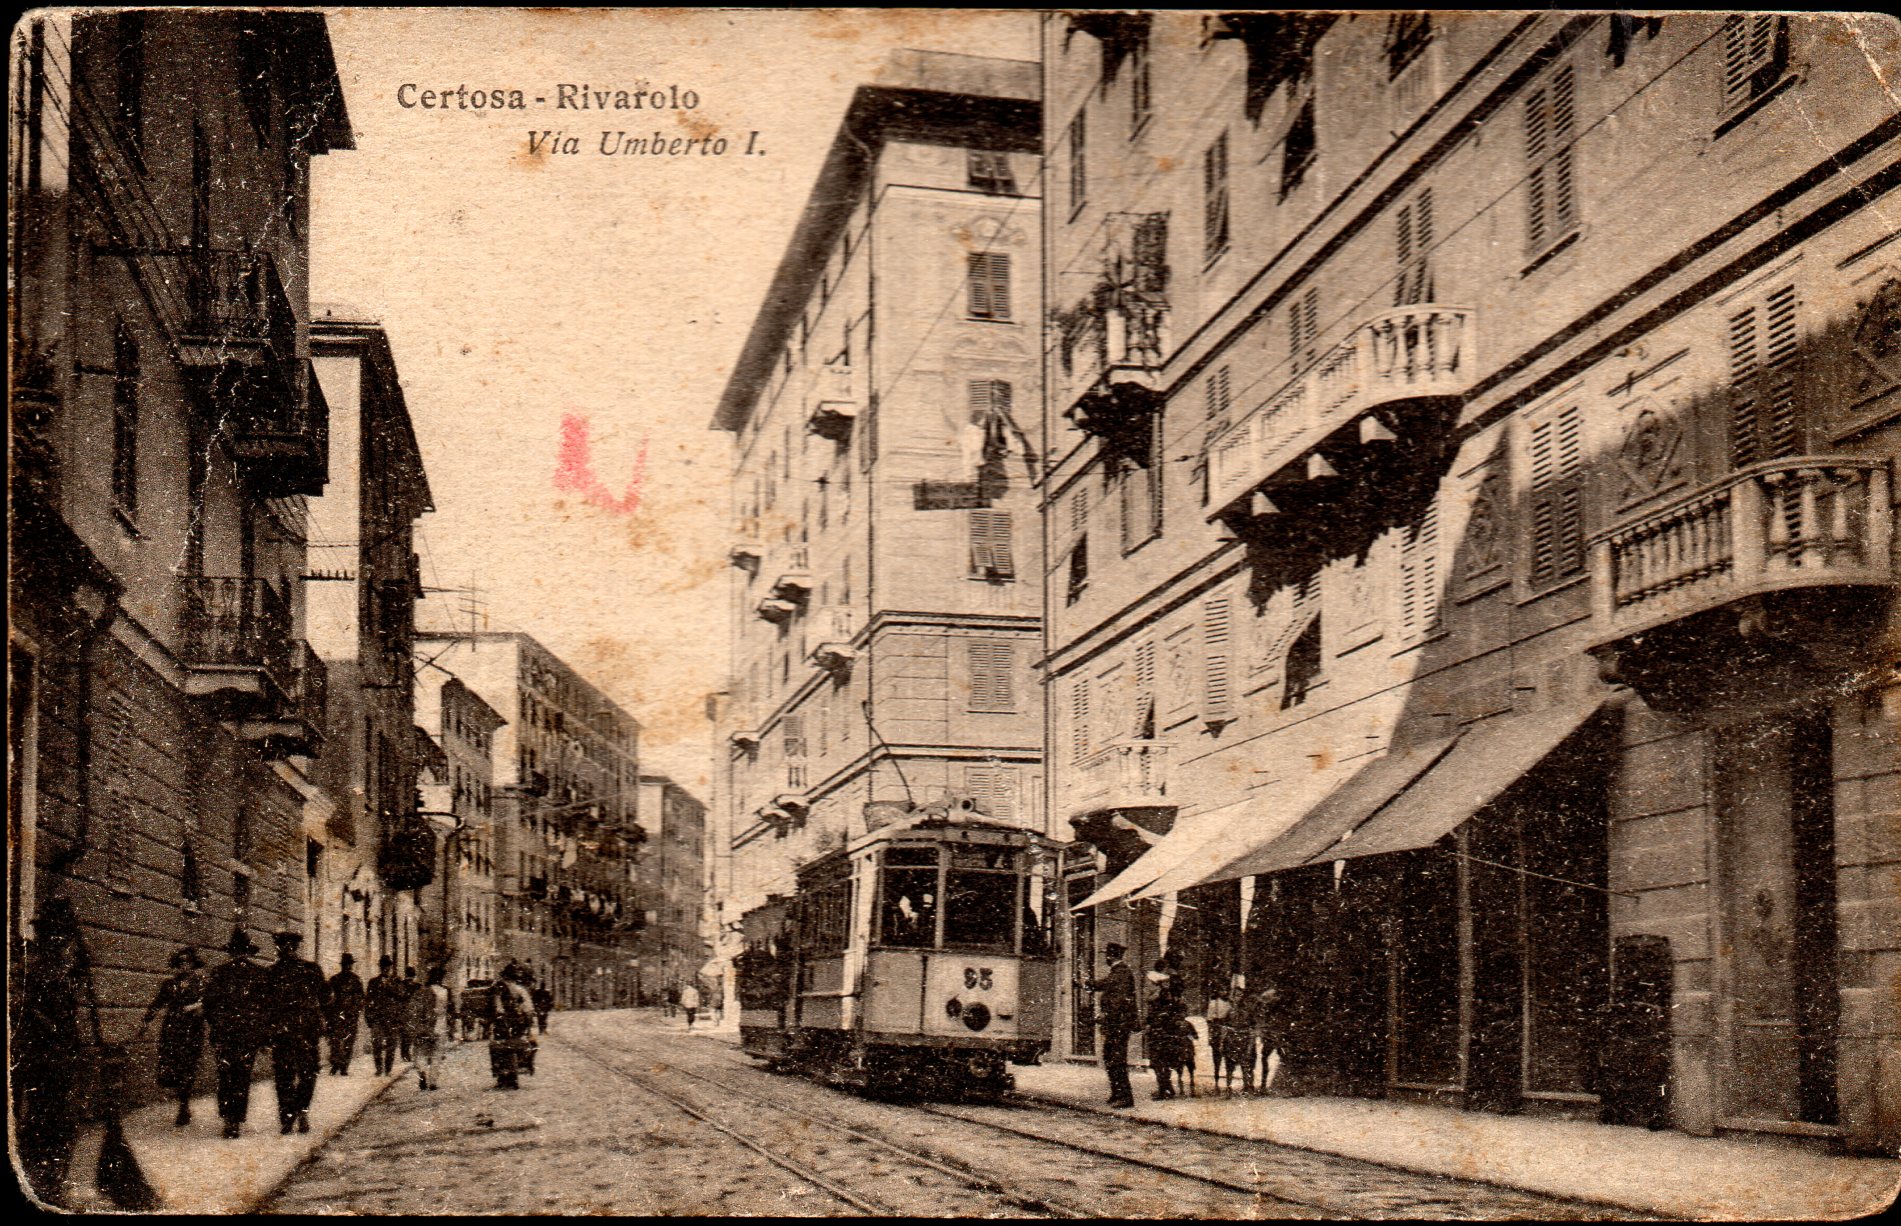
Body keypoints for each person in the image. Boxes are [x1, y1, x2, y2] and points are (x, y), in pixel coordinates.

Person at [16, 899, 85, 1203]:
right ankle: (45, 1186)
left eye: (64, 937)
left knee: (52, 1121)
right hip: (41, 1054)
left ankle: (50, 1183)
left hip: (55, 1055)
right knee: (47, 1122)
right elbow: (30, 1009)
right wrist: (55, 1029)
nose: (62, 943)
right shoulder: (37, 968)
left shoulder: (61, 969)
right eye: (56, 936)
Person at [201, 928, 268, 1139]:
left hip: (227, 1034)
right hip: (245, 1035)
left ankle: (229, 1119)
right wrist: (261, 1036)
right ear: (247, 951)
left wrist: (216, 1026)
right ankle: (235, 1119)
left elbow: (209, 1005)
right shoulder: (258, 973)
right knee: (241, 1076)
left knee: (226, 1074)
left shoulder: (219, 973)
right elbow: (264, 1009)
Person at [262, 930, 327, 1135]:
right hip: (289, 1032)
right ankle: (292, 1115)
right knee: (289, 1075)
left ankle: (297, 1113)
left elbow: (326, 996)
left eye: (291, 946)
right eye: (285, 946)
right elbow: (265, 1006)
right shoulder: (273, 973)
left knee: (301, 1075)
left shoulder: (309, 970)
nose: (288, 950)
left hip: (301, 1031)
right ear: (280, 948)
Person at [140, 948, 207, 1126]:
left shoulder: (201, 983)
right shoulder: (169, 984)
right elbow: (157, 1003)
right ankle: (182, 1102)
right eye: (181, 962)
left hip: (192, 1030)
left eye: (188, 962)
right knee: (175, 1067)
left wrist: (196, 1006)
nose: (184, 965)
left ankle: (184, 1106)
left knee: (188, 1066)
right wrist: (146, 1021)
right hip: (172, 1030)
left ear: (193, 964)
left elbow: (210, 1001)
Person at [1087, 942, 1138, 1109]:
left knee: (1116, 1059)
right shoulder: (1118, 972)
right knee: (1110, 1057)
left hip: (1119, 1024)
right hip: (1115, 1024)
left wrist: (1106, 1014)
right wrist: (1088, 983)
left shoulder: (1121, 973)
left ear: (1110, 956)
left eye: (1107, 956)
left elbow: (1119, 999)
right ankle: (1117, 1093)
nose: (1106, 959)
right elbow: (1105, 984)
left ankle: (1125, 1097)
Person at [1145, 962, 1190, 1100]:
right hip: (1162, 1031)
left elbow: (1165, 1013)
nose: (1148, 985)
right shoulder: (1161, 995)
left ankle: (1163, 1090)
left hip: (1162, 1032)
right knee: (1161, 1061)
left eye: (1150, 983)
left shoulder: (1161, 996)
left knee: (1160, 1061)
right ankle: (1166, 1087)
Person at [488, 964, 537, 1090]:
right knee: (523, 1044)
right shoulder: (520, 989)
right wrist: (529, 1021)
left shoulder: (498, 988)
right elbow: (528, 1008)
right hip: (518, 1023)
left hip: (502, 1023)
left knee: (498, 1048)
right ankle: (524, 1066)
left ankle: (501, 1075)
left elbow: (497, 1008)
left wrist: (497, 1017)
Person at [409, 966, 451, 1091]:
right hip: (441, 1025)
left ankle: (422, 1071)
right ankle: (433, 1082)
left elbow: (414, 1010)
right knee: (437, 1054)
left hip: (424, 1026)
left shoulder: (421, 991)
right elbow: (449, 1010)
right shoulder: (445, 992)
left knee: (420, 1052)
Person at [325, 953, 365, 1075]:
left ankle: (344, 1067)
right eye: (346, 964)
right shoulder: (334, 980)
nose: (348, 967)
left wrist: (355, 1010)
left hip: (351, 1016)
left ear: (351, 965)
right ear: (342, 965)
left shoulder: (356, 980)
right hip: (337, 1015)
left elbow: (361, 999)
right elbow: (328, 997)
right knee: (335, 1041)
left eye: (349, 964)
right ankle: (335, 1064)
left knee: (349, 1042)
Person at [364, 956, 403, 1075]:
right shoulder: (373, 982)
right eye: (383, 966)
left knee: (391, 1044)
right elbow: (368, 1000)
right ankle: (379, 1068)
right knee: (377, 1043)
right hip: (377, 1017)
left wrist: (389, 986)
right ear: (380, 967)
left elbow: (401, 996)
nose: (386, 969)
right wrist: (368, 1017)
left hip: (392, 1018)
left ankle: (388, 1069)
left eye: (388, 966)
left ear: (390, 967)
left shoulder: (396, 981)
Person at [396, 967, 420, 1061]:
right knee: (411, 1033)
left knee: (404, 1033)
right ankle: (407, 1053)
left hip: (403, 1011)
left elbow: (398, 997)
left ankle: (405, 1053)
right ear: (414, 975)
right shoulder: (417, 986)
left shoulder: (400, 984)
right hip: (413, 1012)